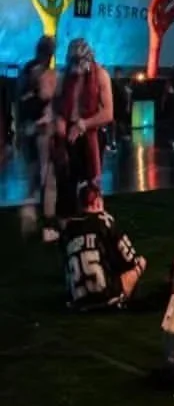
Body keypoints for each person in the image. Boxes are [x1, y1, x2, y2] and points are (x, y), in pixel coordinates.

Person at [62, 181, 146, 310]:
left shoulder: (67, 229)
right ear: (97, 202)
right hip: (106, 296)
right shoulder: (104, 221)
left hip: (78, 299)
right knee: (140, 263)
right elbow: (130, 259)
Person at [57, 39, 115, 224]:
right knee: (67, 178)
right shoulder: (65, 77)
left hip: (92, 133)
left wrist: (83, 124)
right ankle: (66, 221)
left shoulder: (101, 76)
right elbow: (59, 107)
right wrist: (60, 125)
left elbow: (108, 113)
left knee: (90, 179)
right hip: (69, 131)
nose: (78, 69)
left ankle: (94, 218)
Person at [20, 36, 59, 242]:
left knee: (34, 174)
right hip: (42, 129)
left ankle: (28, 211)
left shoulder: (26, 69)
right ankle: (47, 226)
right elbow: (45, 97)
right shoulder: (42, 73)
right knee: (48, 177)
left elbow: (21, 101)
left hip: (27, 129)